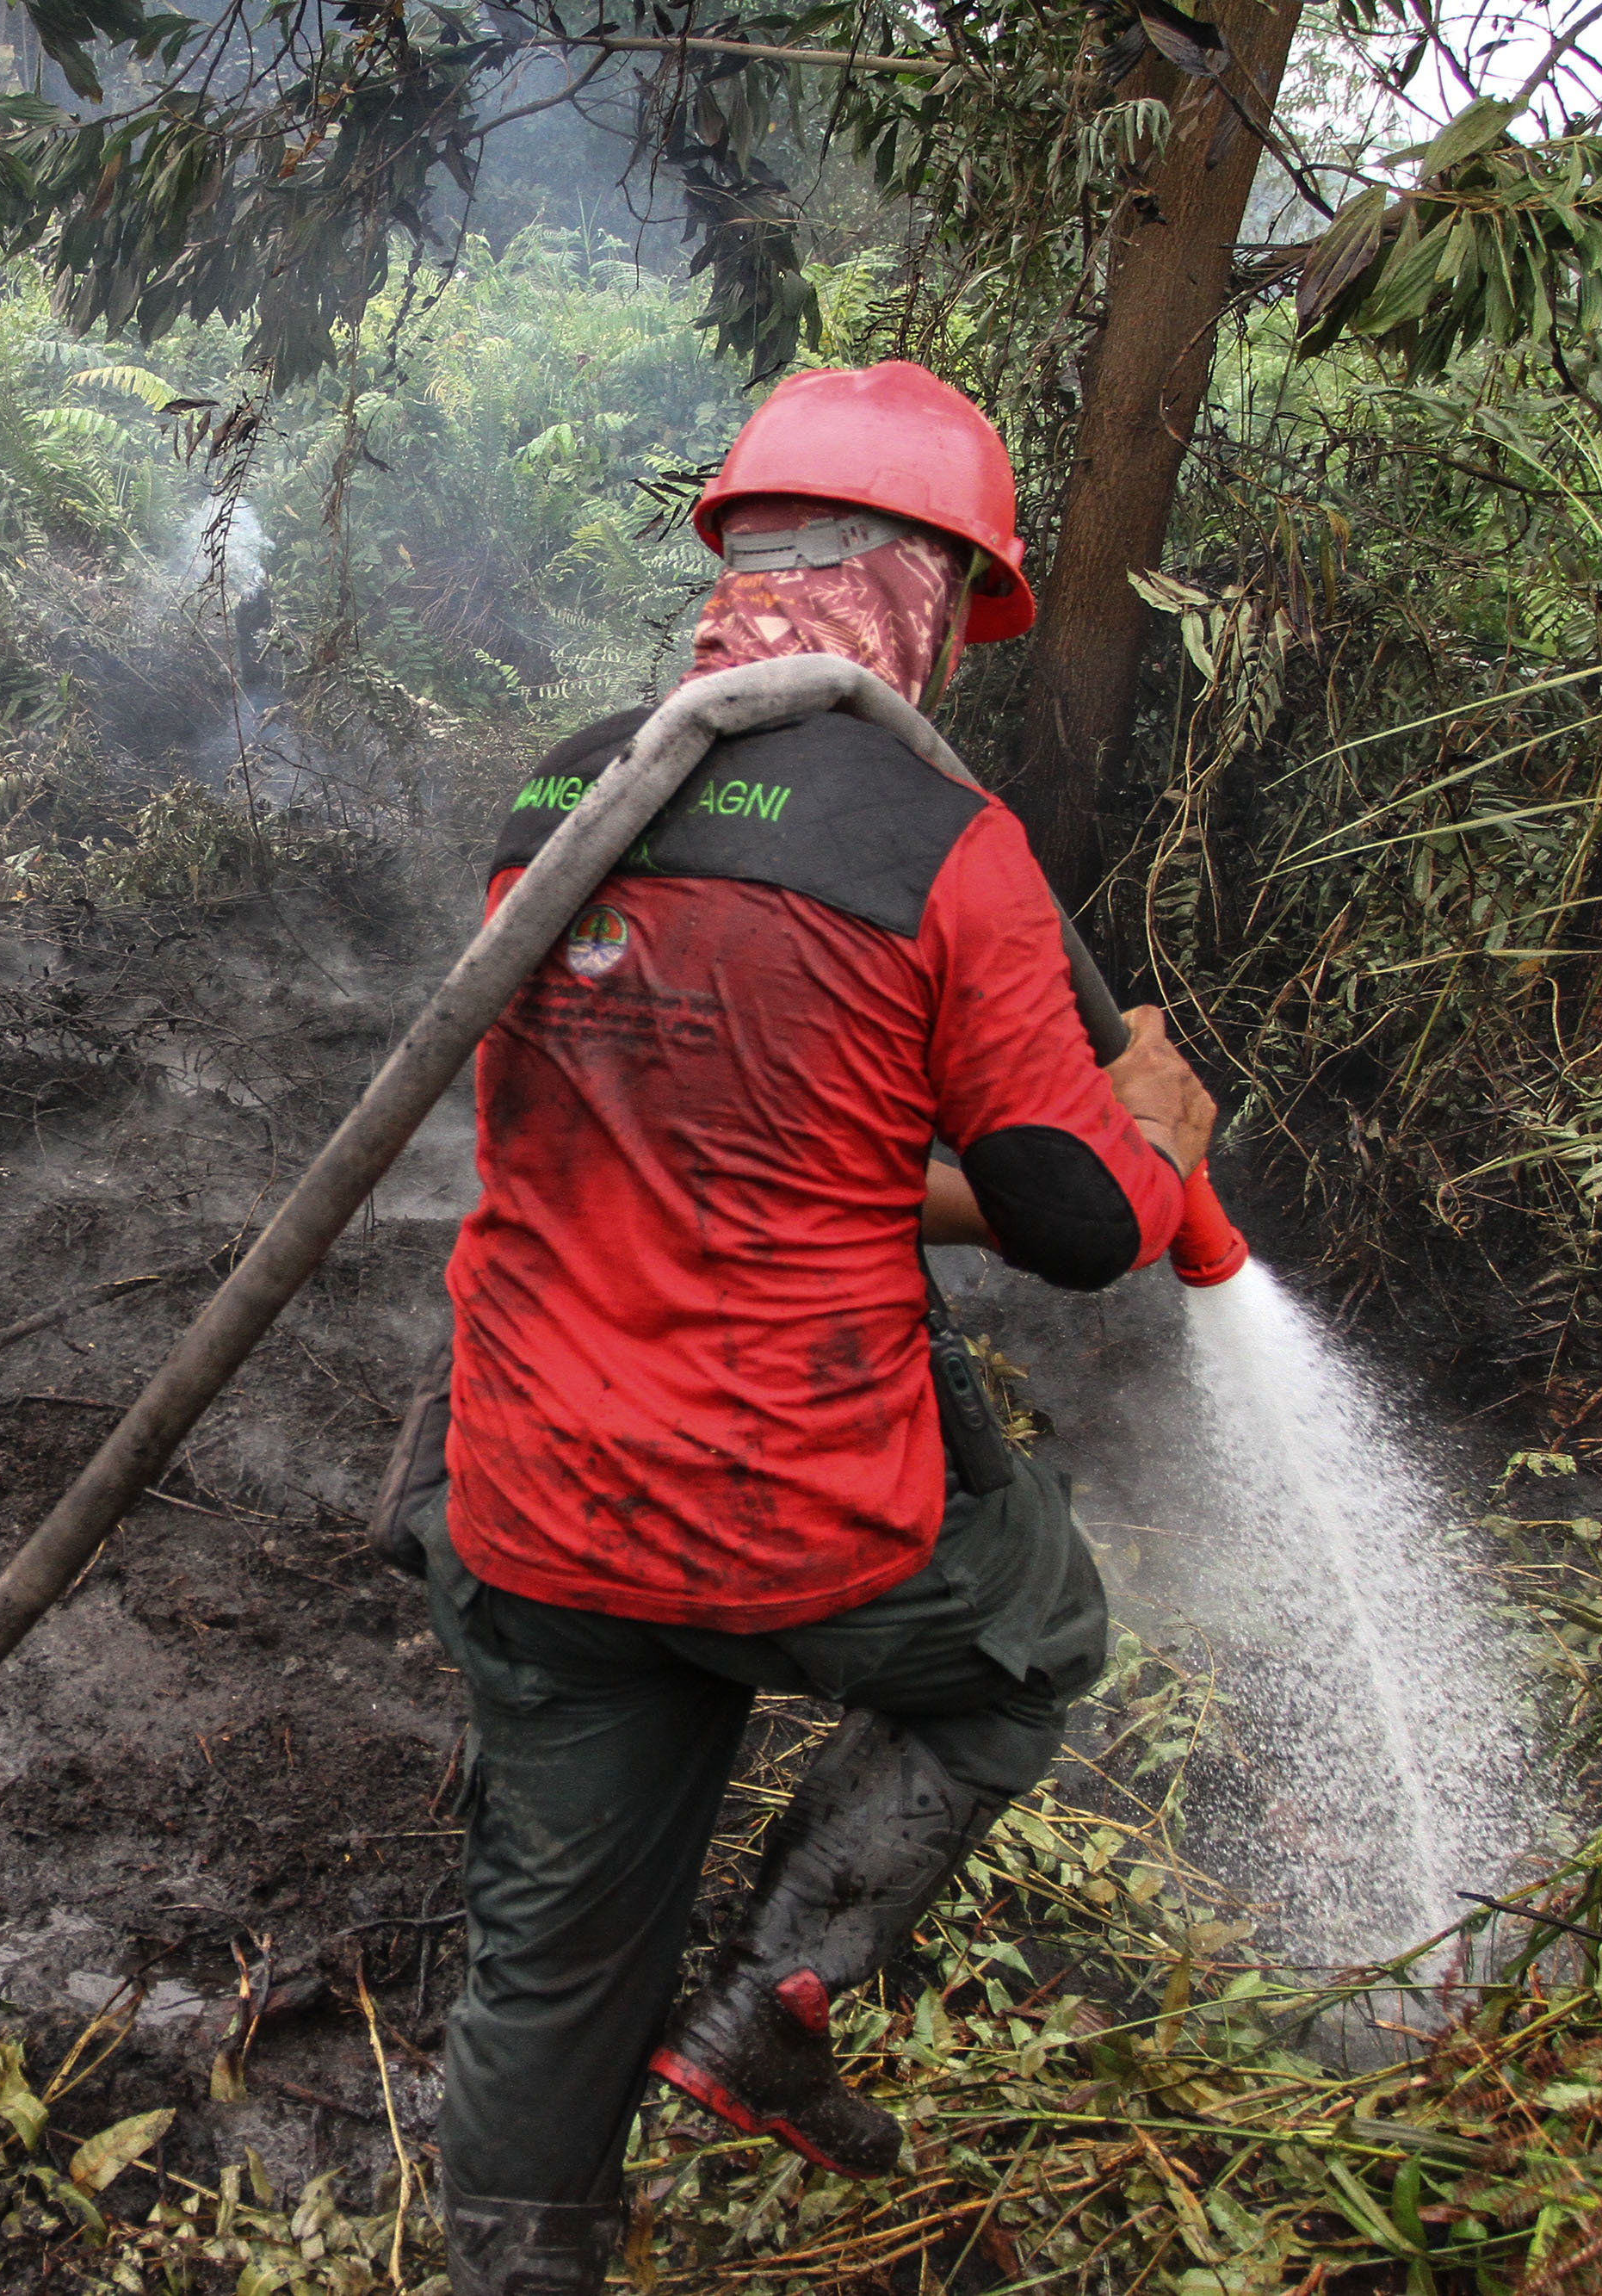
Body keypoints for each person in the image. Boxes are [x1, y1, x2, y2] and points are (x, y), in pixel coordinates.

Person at [387, 364, 1219, 2295]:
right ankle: (778, 1999)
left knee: (554, 1943)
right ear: (924, 585)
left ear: (741, 552)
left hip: (533, 1498)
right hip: (792, 1506)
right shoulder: (944, 846)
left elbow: (745, 1140)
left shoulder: (558, 793)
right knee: (1032, 1645)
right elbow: (1081, 1226)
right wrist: (1158, 1120)